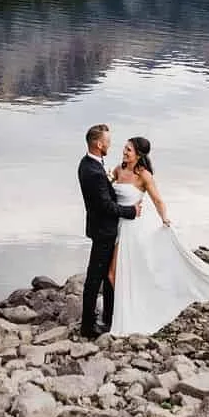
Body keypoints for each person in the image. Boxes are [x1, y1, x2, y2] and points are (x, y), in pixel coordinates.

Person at [107, 134, 209, 336]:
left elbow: (158, 200)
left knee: (116, 273)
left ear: (139, 155)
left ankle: (133, 313)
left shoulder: (144, 175)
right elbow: (109, 194)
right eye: (124, 148)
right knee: (117, 274)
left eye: (128, 150)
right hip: (116, 225)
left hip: (132, 230)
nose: (124, 152)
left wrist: (164, 219)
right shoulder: (118, 169)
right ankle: (123, 311)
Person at [77, 123, 139, 338]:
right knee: (96, 277)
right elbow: (106, 206)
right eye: (108, 142)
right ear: (98, 144)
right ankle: (88, 326)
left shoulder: (90, 164)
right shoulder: (93, 171)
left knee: (107, 275)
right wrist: (131, 211)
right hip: (104, 230)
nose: (111, 146)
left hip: (102, 228)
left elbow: (103, 197)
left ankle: (107, 318)